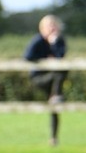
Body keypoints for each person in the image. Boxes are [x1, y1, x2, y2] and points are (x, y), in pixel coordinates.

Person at [24, 14, 67, 145]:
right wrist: (44, 61)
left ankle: (53, 138)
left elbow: (60, 57)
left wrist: (53, 43)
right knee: (57, 79)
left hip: (54, 81)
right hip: (39, 78)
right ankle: (56, 95)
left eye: (54, 25)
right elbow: (27, 56)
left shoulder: (59, 41)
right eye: (49, 26)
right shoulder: (37, 40)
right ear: (42, 28)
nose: (52, 28)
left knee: (54, 107)